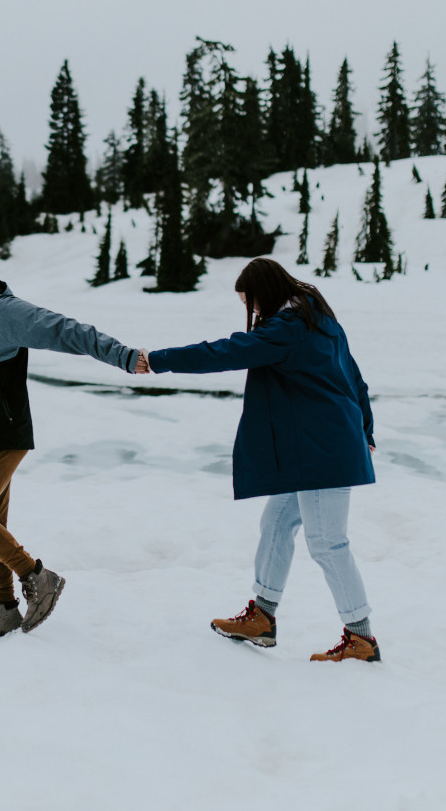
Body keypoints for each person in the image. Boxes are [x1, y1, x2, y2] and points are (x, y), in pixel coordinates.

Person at [136, 257, 381, 662]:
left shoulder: (288, 329)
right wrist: (365, 430)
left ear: (265, 293)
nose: (250, 311)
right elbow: (354, 377)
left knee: (327, 542)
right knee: (277, 523)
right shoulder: (320, 319)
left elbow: (226, 352)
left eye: (250, 302)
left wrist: (159, 359)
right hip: (321, 446)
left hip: (322, 449)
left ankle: (361, 638)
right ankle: (262, 617)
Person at [0, 242, 141, 647]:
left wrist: (123, 356)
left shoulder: (6, 313)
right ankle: (4, 610)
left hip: (3, 430)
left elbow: (69, 331)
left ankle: (38, 577)